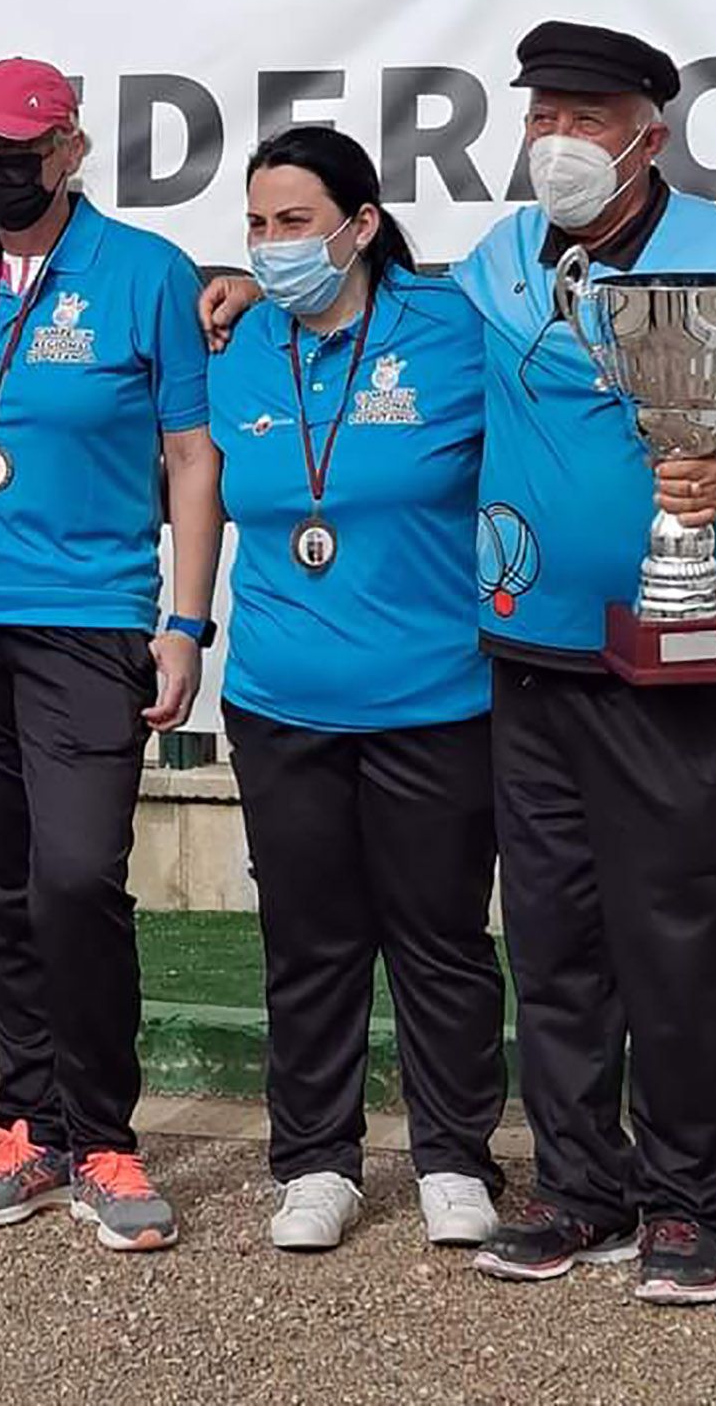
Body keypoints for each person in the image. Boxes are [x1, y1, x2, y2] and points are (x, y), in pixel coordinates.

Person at [451, 23, 716, 1302]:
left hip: (675, 655)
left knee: (681, 935)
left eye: (585, 118)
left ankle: (692, 1203)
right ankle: (581, 1187)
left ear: (650, 130)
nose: (557, 143)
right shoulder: (495, 259)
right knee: (553, 936)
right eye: (540, 118)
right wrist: (246, 285)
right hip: (524, 650)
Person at [0, 58, 223, 1254]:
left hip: (87, 616)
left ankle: (104, 1133)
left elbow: (192, 458)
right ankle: (28, 1121)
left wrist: (183, 625)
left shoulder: (145, 275)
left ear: (69, 149)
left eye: (7, 148)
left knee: (76, 874)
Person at [209, 126, 505, 1254]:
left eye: (295, 222)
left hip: (434, 699)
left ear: (361, 225)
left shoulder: (452, 332)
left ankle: (450, 1156)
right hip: (279, 700)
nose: (273, 245)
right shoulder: (235, 344)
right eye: (257, 225)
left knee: (437, 937)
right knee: (309, 939)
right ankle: (316, 1161)